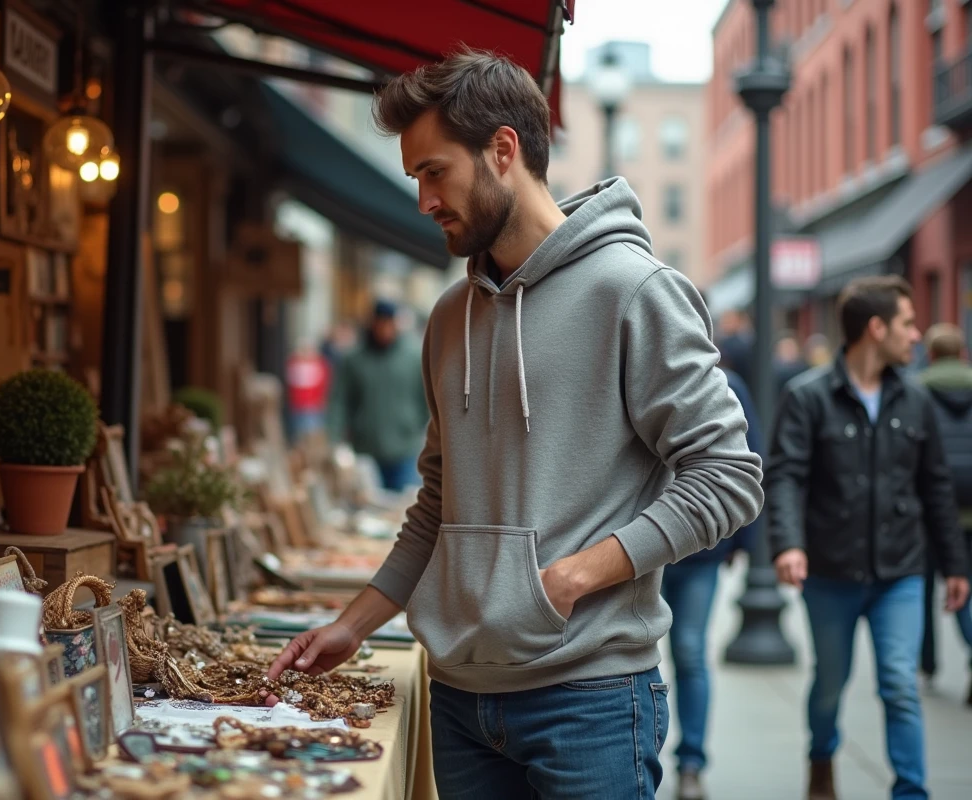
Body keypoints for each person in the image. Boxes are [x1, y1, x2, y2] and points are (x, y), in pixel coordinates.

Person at [268, 48, 764, 799]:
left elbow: (728, 478)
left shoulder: (635, 292)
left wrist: (569, 579)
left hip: (589, 700)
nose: (423, 200)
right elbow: (438, 506)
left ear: (502, 151)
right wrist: (355, 623)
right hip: (459, 702)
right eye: (416, 179)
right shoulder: (445, 320)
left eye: (435, 172)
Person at [765, 276, 970, 800]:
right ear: (876, 329)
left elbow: (936, 487)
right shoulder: (808, 396)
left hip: (900, 571)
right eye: (906, 322)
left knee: (900, 685)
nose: (916, 333)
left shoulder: (915, 400)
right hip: (830, 573)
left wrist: (955, 565)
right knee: (831, 686)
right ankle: (821, 756)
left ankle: (911, 791)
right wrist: (788, 544)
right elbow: (787, 475)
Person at [660, 368, 761, 800]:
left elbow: (747, 460)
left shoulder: (728, 385)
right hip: (635, 551)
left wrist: (743, 538)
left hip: (701, 551)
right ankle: (640, 754)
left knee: (688, 650)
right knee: (631, 656)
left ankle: (691, 762)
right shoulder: (634, 374)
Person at [916, 323, 972, 702]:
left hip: (931, 510)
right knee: (964, 585)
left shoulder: (915, 391)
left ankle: (928, 661)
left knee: (922, 589)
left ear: (932, 354)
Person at [326, 299, 428, 492]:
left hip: (404, 448)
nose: (384, 329)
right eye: (380, 323)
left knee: (404, 510)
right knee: (367, 510)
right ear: (372, 323)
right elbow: (339, 401)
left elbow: (428, 396)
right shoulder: (354, 359)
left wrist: (415, 424)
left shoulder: (414, 356)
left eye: (389, 323)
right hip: (366, 449)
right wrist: (335, 439)